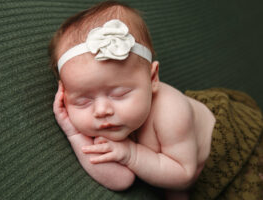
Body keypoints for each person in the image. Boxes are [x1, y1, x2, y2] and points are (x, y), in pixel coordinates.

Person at [49, 1, 263, 199]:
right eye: (83, 101)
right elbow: (121, 180)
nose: (102, 109)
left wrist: (131, 155)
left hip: (236, 154)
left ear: (152, 79)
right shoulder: (105, 122)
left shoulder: (170, 111)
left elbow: (183, 175)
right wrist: (74, 133)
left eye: (120, 93)